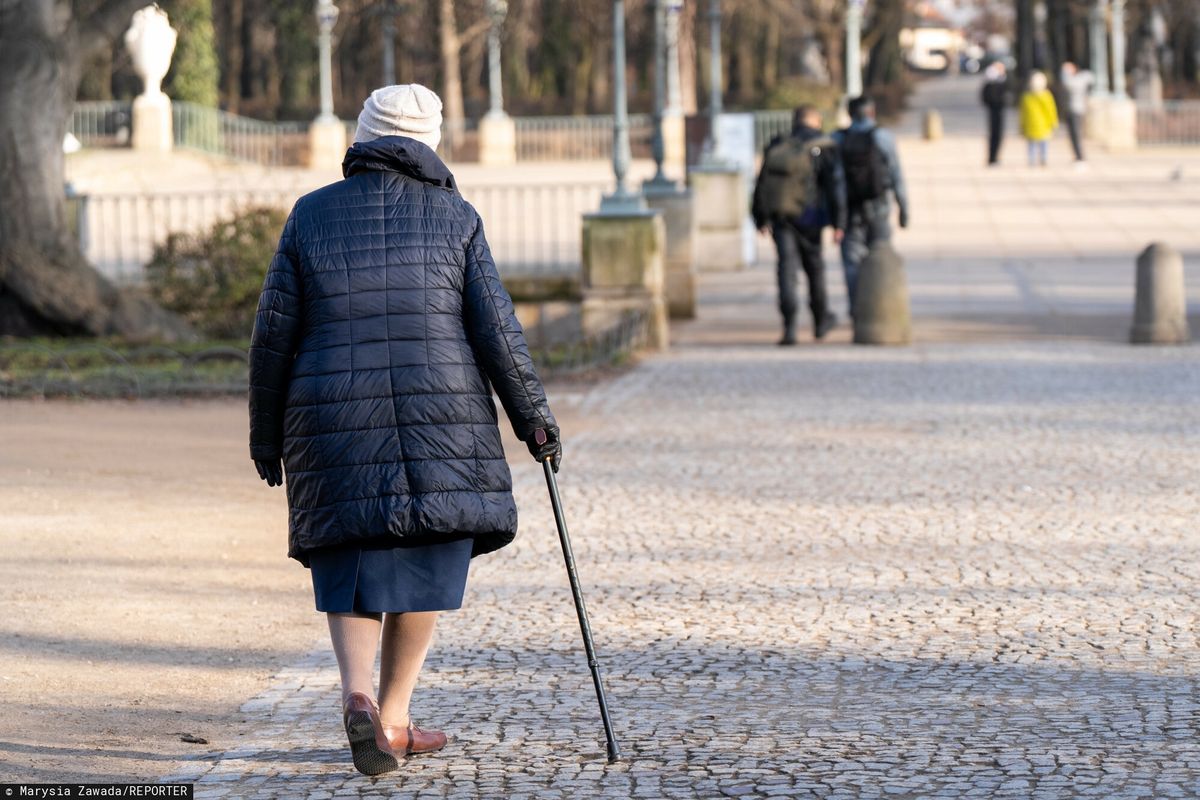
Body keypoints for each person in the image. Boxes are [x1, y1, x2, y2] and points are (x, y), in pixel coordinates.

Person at [247, 83, 561, 776]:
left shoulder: (310, 216)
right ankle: (392, 717)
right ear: (431, 141)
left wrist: (265, 435)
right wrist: (533, 421)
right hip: (440, 419)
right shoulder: (456, 217)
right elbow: (499, 334)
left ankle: (357, 697)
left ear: (362, 136)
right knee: (424, 557)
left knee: (352, 554)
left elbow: (272, 337)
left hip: (331, 419)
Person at [751, 105, 846, 345]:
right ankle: (820, 320)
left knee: (786, 269)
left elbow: (762, 181)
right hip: (811, 216)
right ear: (816, 121)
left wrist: (760, 217)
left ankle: (789, 326)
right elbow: (835, 186)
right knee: (814, 268)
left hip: (781, 216)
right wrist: (839, 222)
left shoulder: (779, 144)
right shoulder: (823, 146)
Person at [834, 96, 909, 318]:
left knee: (851, 262)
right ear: (872, 113)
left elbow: (833, 180)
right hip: (879, 207)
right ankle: (880, 309)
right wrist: (904, 207)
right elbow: (896, 174)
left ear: (849, 114)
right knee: (881, 255)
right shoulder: (883, 137)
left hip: (849, 210)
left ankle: (857, 309)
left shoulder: (838, 139)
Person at [1019, 70, 1059, 167]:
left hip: (1030, 125)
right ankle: (1043, 159)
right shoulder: (1046, 96)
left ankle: (1031, 160)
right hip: (1043, 125)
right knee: (1043, 144)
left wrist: (1022, 125)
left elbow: (1022, 114)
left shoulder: (1026, 97)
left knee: (1031, 144)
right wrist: (1054, 122)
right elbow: (1051, 111)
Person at [1060, 61, 1094, 165]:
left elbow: (1068, 84)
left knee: (1076, 134)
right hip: (1071, 110)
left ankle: (1080, 157)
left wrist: (1065, 73)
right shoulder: (1077, 80)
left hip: (1076, 110)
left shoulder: (1078, 80)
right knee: (1072, 135)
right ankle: (1078, 156)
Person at [981, 61, 1009, 166]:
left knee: (998, 135)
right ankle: (992, 158)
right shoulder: (993, 82)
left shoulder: (1000, 80)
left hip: (998, 111)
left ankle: (994, 157)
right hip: (995, 111)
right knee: (995, 135)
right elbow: (989, 97)